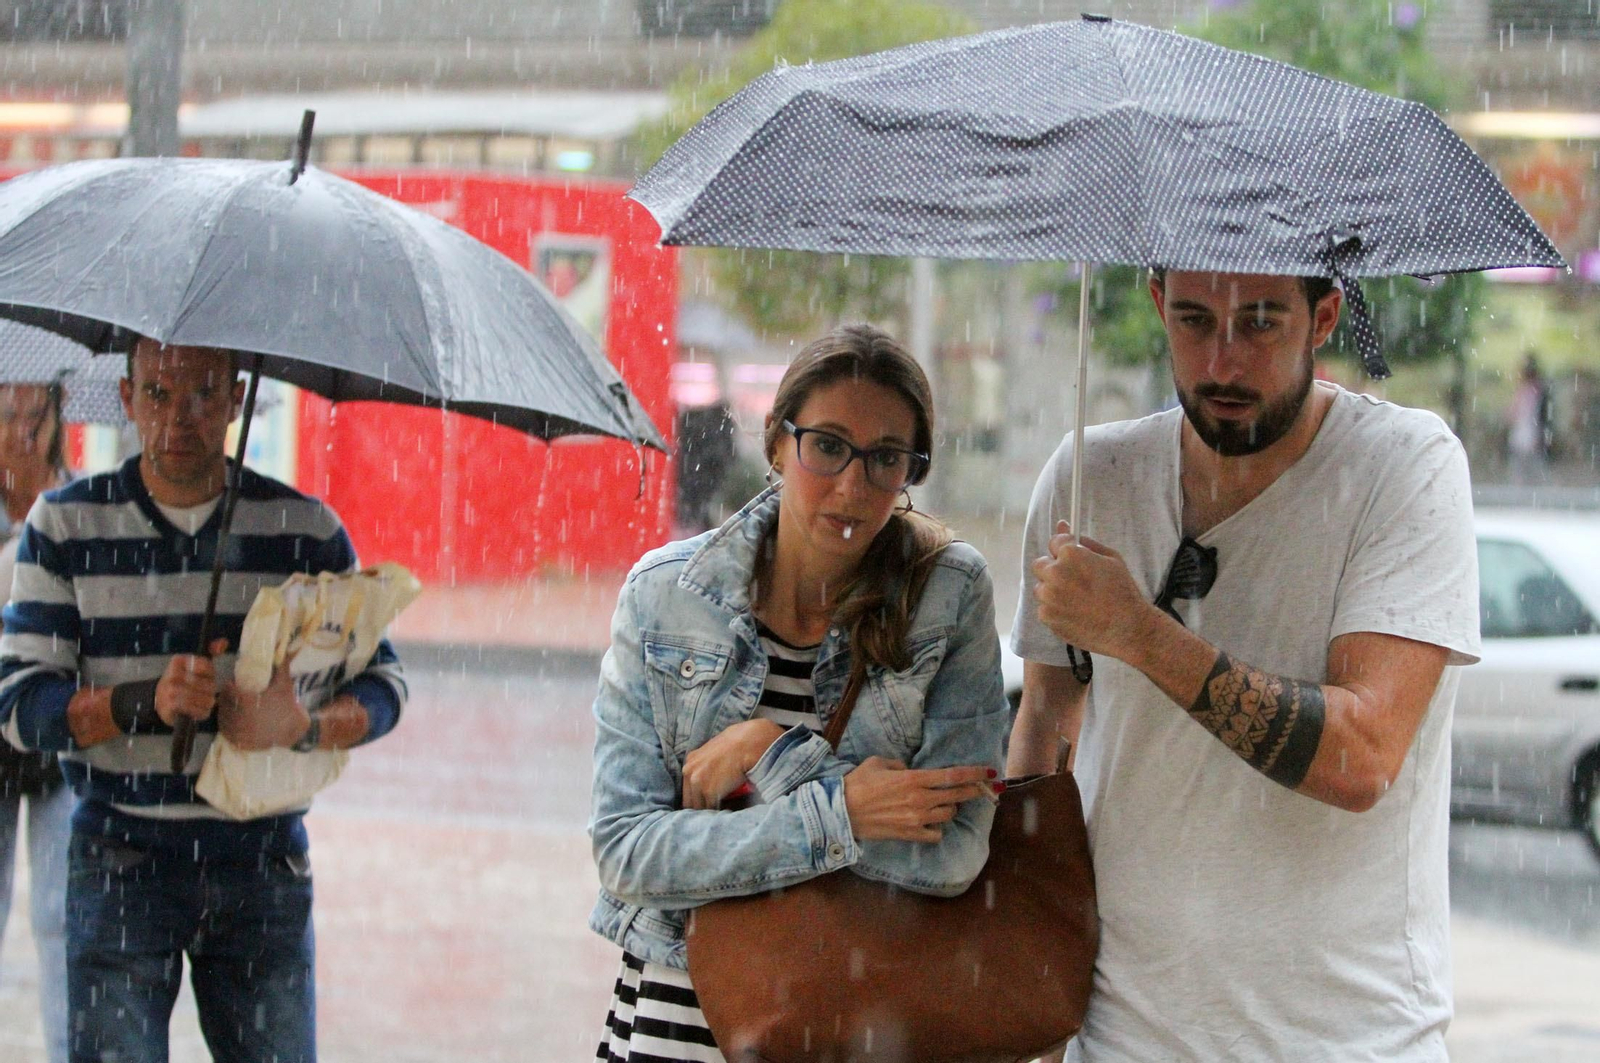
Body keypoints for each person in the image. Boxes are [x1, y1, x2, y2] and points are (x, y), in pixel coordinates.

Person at [1008, 270, 1479, 1062]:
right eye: (1194, 320)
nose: (1222, 362)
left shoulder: (1406, 467)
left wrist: (1141, 632)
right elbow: (1045, 733)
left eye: (1260, 324)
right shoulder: (1092, 474)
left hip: (1348, 1039)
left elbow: (1362, 758)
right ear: (1157, 304)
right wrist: (1028, 1009)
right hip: (1121, 1036)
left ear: (1323, 315)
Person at [589, 323, 1009, 1062]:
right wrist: (844, 809)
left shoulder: (949, 593)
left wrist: (773, 754)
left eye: (887, 458)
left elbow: (953, 849)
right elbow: (628, 851)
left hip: (859, 1018)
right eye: (828, 445)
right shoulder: (664, 596)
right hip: (679, 1018)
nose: (854, 484)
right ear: (778, 442)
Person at [0, 340, 408, 1063]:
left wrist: (302, 724)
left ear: (237, 399)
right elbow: (22, 704)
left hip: (262, 863)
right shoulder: (64, 527)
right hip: (119, 854)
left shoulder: (305, 532)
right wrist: (138, 702)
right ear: (126, 398)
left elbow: (384, 688)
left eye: (202, 394)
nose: (178, 417)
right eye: (158, 393)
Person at [0, 379, 73, 1063]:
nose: (23, 432)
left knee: (63, 919)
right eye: (8, 414)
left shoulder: (83, 509)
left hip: (58, 738)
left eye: (36, 415)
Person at [1506, 351, 1553, 484]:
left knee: (1525, 472)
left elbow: (1513, 414)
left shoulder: (1529, 391)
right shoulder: (1537, 390)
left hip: (1526, 435)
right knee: (1533, 472)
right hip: (1528, 435)